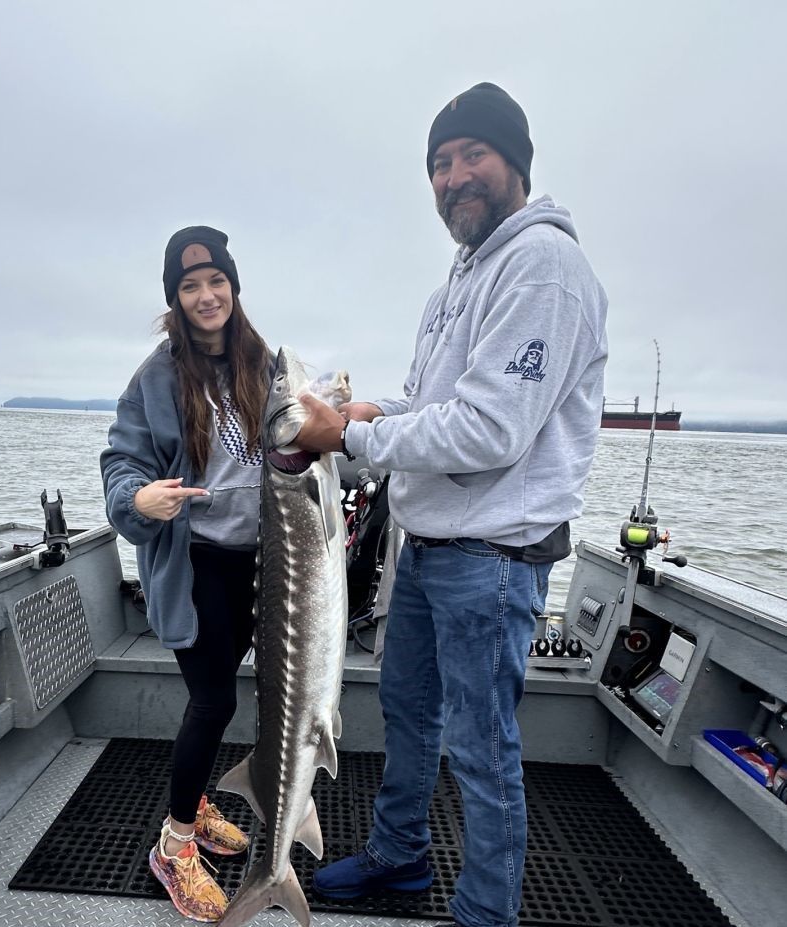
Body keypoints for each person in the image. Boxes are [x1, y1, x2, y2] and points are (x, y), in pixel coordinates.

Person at [295, 82, 608, 927]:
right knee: (409, 716)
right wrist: (370, 414)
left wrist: (350, 440)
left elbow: (488, 432)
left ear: (516, 163)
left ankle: (485, 913)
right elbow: (434, 403)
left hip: (494, 561)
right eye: (440, 163)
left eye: (474, 155)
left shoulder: (543, 266)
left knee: (482, 752)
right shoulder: (457, 283)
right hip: (427, 550)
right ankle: (400, 858)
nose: (455, 175)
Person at [100, 226, 272, 923]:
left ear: (233, 287)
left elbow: (297, 441)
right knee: (213, 700)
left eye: (216, 282)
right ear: (175, 298)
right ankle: (173, 845)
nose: (206, 296)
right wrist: (137, 501)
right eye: (190, 286)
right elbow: (120, 464)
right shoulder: (156, 376)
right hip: (191, 558)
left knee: (224, 681)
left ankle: (195, 802)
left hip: (250, 562)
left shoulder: (262, 361)